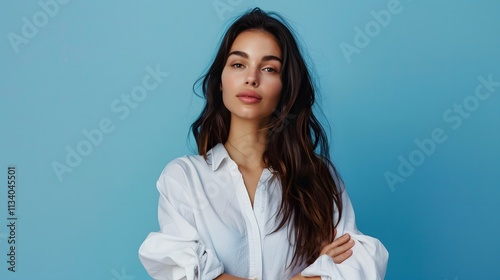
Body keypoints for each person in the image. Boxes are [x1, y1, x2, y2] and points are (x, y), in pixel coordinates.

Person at [139, 7, 388, 280]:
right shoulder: (185, 178)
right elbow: (185, 272)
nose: (251, 78)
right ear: (220, 81)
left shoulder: (319, 178)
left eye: (269, 68)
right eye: (238, 64)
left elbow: (356, 267)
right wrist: (307, 277)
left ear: (286, 87)